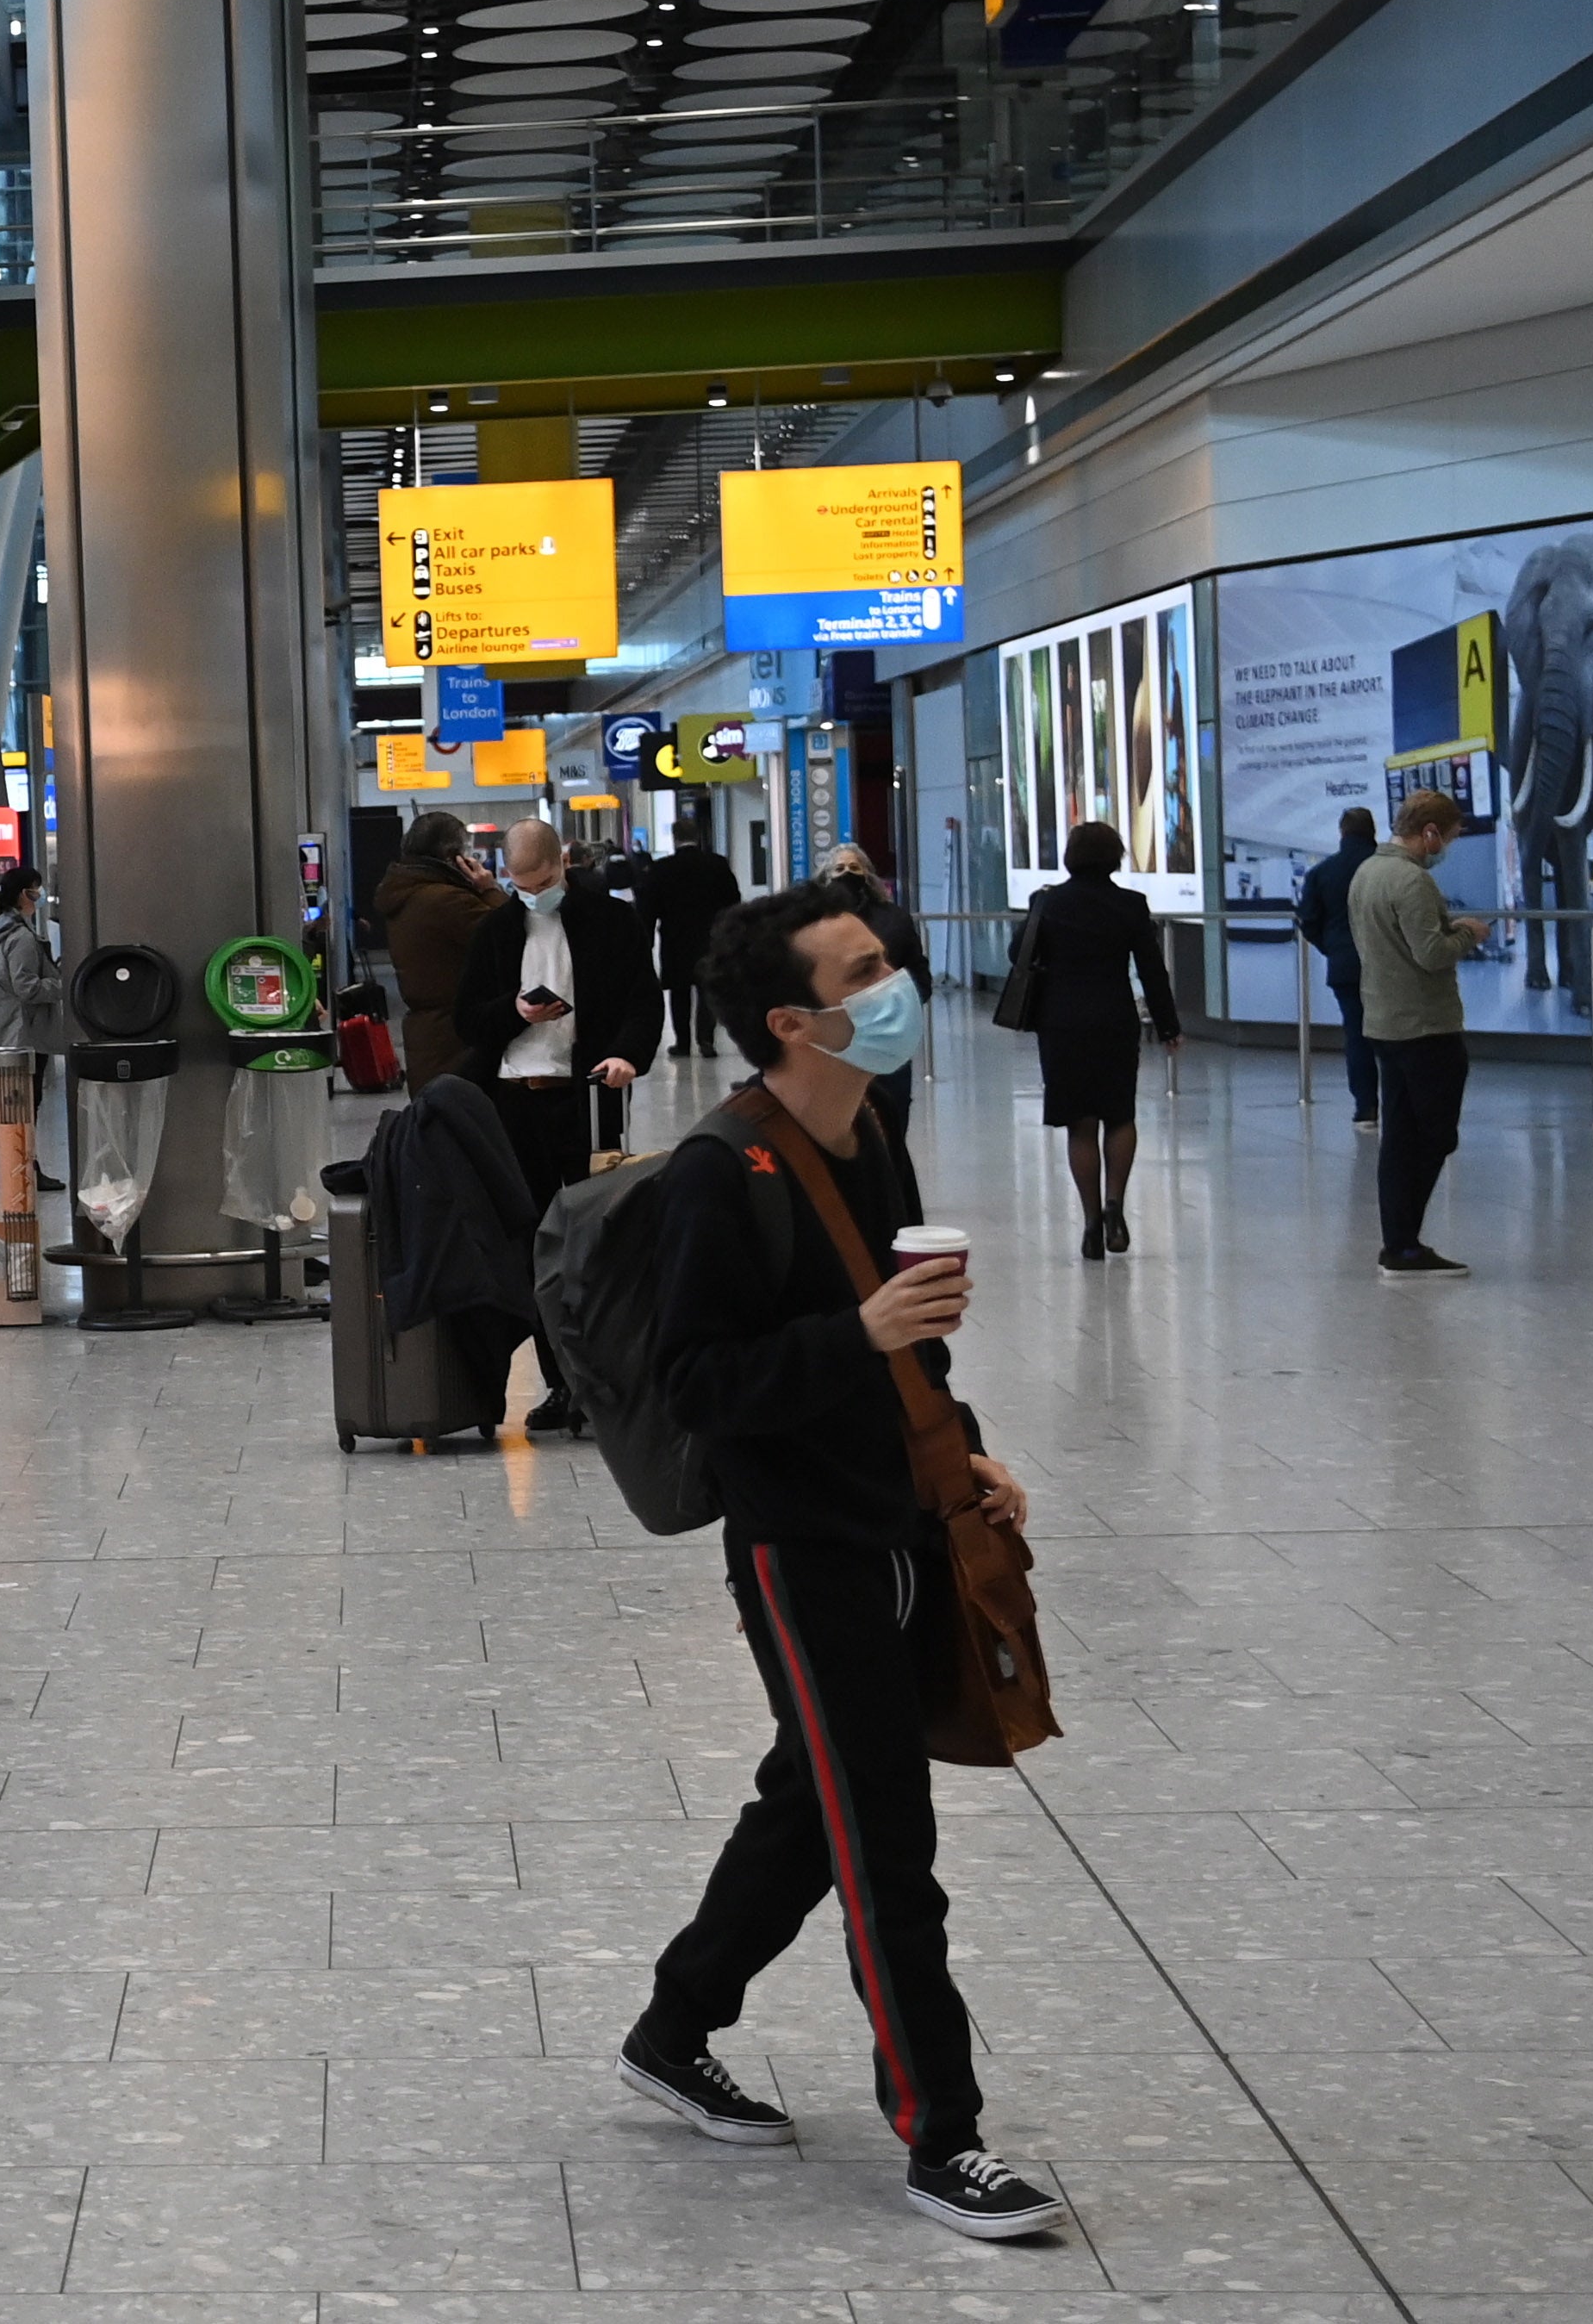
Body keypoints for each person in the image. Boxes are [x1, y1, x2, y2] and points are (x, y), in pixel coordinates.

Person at [618, 875, 1066, 2245]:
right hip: (801, 1550)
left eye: (891, 961)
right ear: (791, 1020)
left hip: (905, 1516)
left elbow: (909, 1339)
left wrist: (963, 1445)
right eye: (865, 970)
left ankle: (672, 2023)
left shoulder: (871, 1133)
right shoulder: (717, 1172)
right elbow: (696, 1382)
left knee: (812, 1803)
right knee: (884, 1832)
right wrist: (856, 1337)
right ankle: (946, 2133)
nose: (897, 985)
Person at [452, 819, 659, 1433]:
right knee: (539, 1247)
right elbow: (468, 1019)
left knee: (597, 1242)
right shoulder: (494, 930)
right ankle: (560, 1382)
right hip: (517, 1102)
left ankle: (604, 1379)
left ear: (562, 865)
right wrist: (513, 1011)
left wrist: (628, 1055)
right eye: (521, 884)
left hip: (588, 1096)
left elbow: (643, 1000)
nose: (532, 892)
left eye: (542, 881)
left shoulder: (610, 922)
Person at [1018, 821, 1181, 1260]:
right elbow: (1151, 970)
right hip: (1115, 1019)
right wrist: (1168, 1026)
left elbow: (1019, 955)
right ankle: (1115, 1207)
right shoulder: (1130, 905)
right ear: (1116, 856)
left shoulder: (1048, 903)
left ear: (1071, 856)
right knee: (1120, 1115)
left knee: (1081, 1122)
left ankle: (1090, 1224)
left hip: (1062, 1023)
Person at [1347, 789, 1490, 1278]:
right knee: (1435, 1135)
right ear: (1429, 833)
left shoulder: (1367, 873)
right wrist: (1469, 933)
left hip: (1385, 1024)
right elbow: (1430, 954)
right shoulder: (1413, 882)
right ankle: (1405, 1243)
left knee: (1399, 1136)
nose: (1446, 846)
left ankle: (1399, 1244)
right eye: (1447, 837)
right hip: (1427, 1028)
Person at [376, 807, 502, 1090]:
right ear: (452, 857)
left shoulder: (406, 893)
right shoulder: (446, 900)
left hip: (428, 1038)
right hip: (458, 1041)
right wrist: (490, 889)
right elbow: (506, 935)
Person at [819, 843, 931, 1146]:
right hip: (836, 1037)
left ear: (868, 875)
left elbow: (919, 973)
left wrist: (905, 1003)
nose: (847, 875)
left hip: (887, 1032)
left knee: (892, 1120)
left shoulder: (894, 919)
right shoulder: (815, 923)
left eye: (855, 868)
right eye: (839, 869)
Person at [0, 863, 72, 1190]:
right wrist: (62, 986)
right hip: (24, 1033)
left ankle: (20, 1168)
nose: (40, 895)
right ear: (23, 895)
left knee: (17, 1106)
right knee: (26, 1106)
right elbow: (27, 987)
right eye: (36, 889)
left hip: (5, 1030)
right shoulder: (21, 938)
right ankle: (26, 1170)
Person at [1291, 807, 1380, 1125]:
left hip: (1346, 967)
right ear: (1373, 831)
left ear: (1342, 833)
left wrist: (1333, 948)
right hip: (1390, 967)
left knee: (1357, 1034)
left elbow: (1308, 921)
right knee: (1397, 1036)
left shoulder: (1322, 873)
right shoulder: (1390, 868)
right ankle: (1402, 1106)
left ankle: (1366, 1107)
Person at [637, 816, 743, 1058]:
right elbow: (733, 901)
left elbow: (648, 908)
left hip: (675, 939)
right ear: (698, 837)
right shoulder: (717, 864)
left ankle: (682, 1042)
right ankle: (706, 1040)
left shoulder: (661, 869)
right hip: (711, 937)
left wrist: (647, 941)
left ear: (674, 838)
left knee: (679, 991)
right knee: (707, 989)